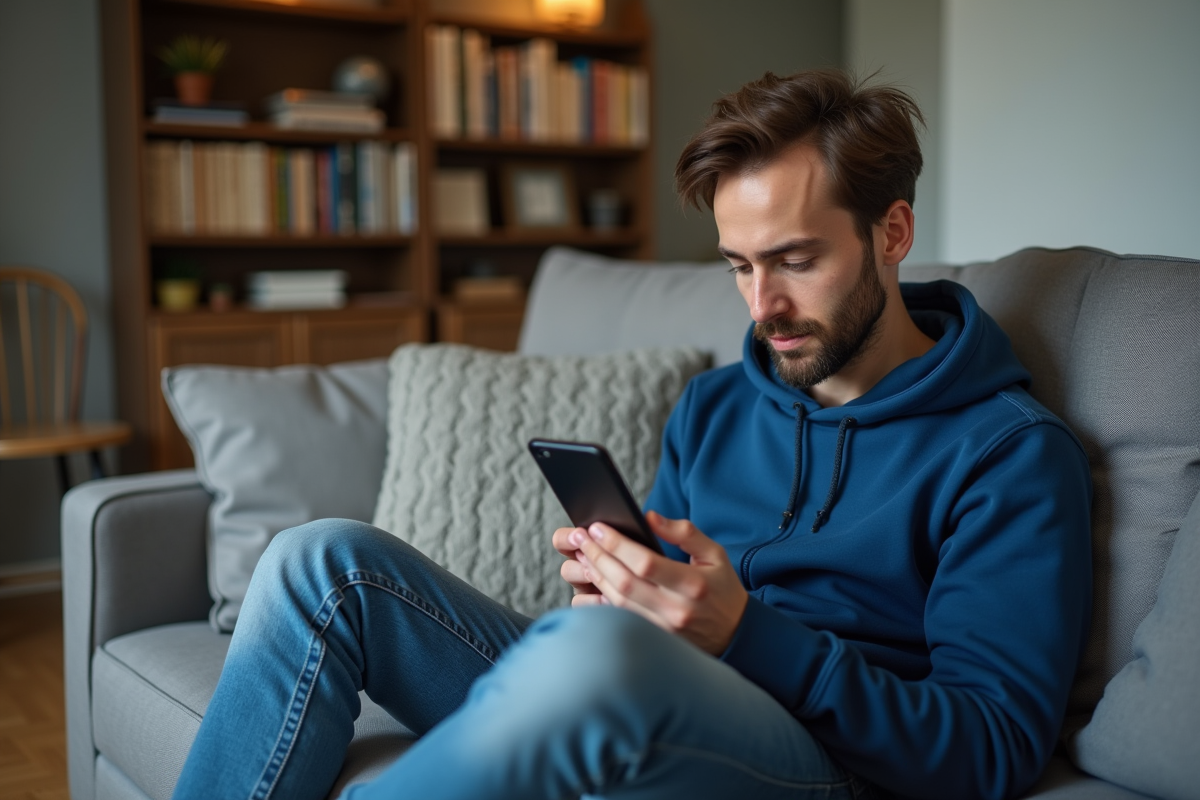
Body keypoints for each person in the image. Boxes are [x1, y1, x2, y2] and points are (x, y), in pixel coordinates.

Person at [172, 69, 1092, 800]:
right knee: (319, 562)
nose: (763, 306)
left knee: (596, 656)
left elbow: (992, 749)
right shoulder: (717, 404)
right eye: (739, 265)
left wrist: (745, 635)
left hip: (829, 763)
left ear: (892, 233)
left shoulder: (1006, 452)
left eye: (796, 261)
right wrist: (609, 591)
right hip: (638, 690)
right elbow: (634, 621)